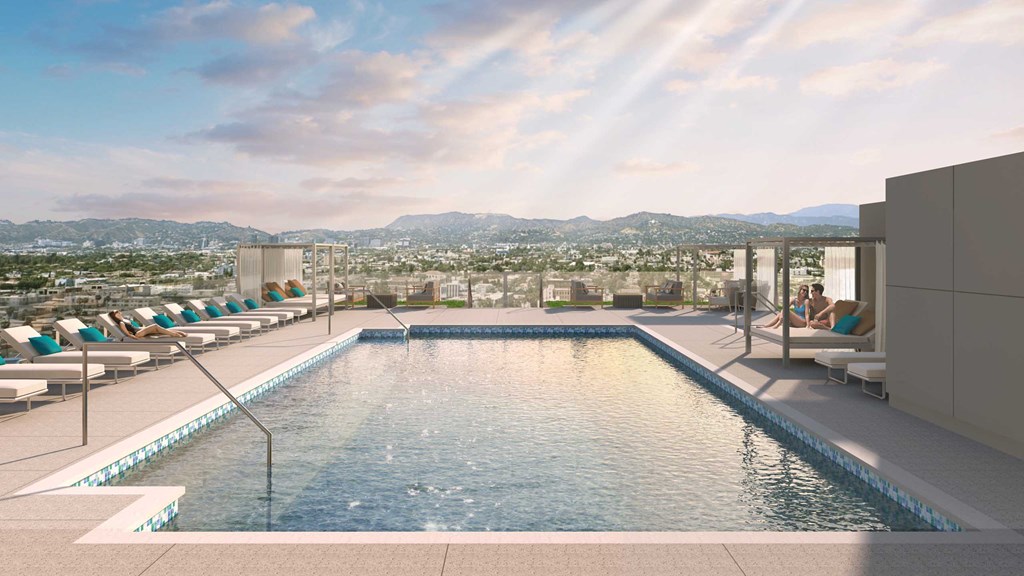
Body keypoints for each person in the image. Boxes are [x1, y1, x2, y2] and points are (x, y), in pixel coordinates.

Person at [108, 310, 187, 339]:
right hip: (137, 334)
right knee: (155, 326)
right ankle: (174, 334)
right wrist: (133, 337)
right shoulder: (121, 323)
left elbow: (134, 327)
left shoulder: (125, 319)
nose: (118, 313)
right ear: (114, 316)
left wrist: (142, 328)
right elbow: (127, 333)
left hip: (139, 330)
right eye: (116, 313)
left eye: (118, 312)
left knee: (157, 330)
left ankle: (178, 332)